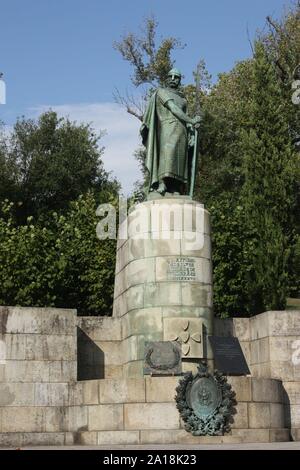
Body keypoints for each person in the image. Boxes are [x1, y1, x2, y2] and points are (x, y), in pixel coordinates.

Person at [140, 68, 201, 196]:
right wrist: (191, 120)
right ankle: (162, 183)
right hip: (167, 128)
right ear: (167, 78)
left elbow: (185, 116)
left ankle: (174, 187)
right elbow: (174, 109)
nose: (173, 79)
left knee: (179, 159)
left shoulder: (183, 99)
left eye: (176, 77)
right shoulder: (161, 92)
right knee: (168, 153)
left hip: (182, 131)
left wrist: (193, 127)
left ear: (180, 80)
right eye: (171, 76)